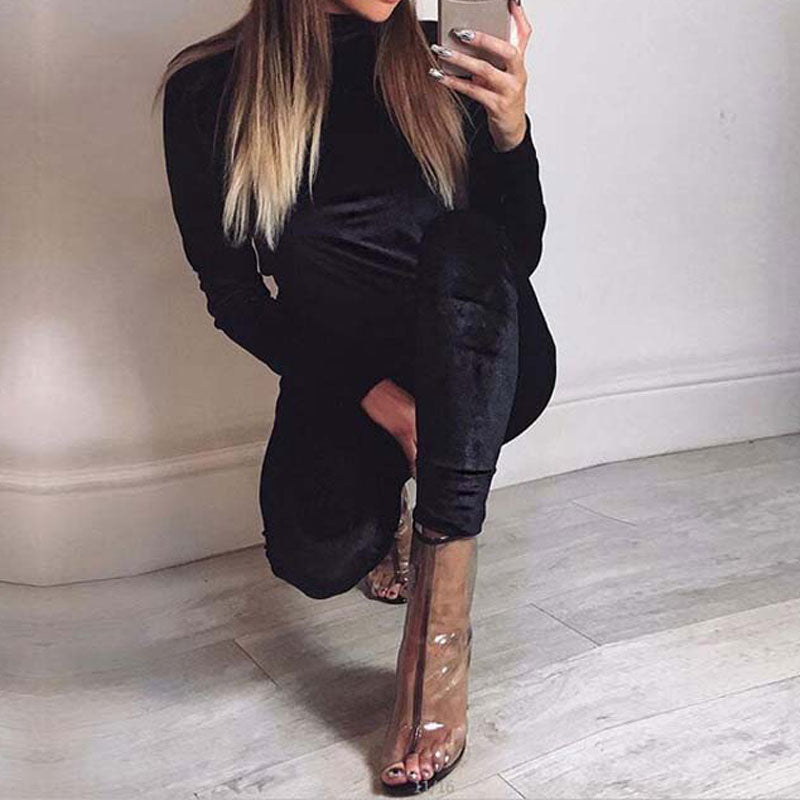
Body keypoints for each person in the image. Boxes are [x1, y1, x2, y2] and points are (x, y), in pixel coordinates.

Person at [158, 0, 556, 792]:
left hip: (481, 360)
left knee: (463, 240)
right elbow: (234, 296)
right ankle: (397, 506)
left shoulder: (446, 62)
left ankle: (437, 644)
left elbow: (515, 254)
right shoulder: (209, 88)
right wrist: (372, 394)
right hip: (344, 372)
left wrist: (512, 131)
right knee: (314, 555)